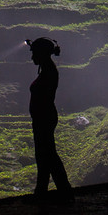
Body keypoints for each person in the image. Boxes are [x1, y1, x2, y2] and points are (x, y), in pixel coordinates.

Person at [26, 37, 73, 200]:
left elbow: (44, 98)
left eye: (34, 53)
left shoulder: (49, 72)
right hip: (44, 117)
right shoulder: (48, 70)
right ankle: (44, 191)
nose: (32, 57)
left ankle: (64, 191)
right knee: (44, 155)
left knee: (48, 155)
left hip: (44, 118)